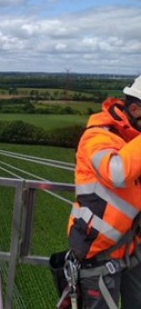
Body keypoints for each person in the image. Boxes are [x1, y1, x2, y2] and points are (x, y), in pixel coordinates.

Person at [67, 75, 141, 309]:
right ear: (136, 109)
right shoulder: (97, 137)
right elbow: (116, 172)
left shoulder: (133, 142)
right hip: (99, 255)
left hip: (132, 251)